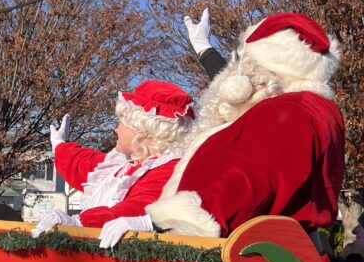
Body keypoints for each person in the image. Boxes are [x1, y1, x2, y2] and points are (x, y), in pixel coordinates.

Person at [148, 12, 344, 239]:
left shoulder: (293, 109)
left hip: (251, 255)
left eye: (244, 62)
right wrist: (203, 48)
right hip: (245, 246)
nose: (237, 78)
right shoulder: (285, 106)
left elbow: (257, 175)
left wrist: (179, 219)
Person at [33, 80, 195, 248]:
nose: (116, 129)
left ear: (143, 130)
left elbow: (134, 210)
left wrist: (78, 222)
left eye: (121, 122)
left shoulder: (169, 171)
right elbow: (84, 164)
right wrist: (59, 144)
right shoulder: (125, 165)